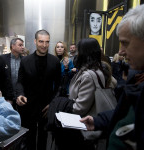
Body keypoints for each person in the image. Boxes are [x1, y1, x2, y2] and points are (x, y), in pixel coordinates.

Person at [80, 4, 144, 150]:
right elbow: (126, 114)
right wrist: (98, 120)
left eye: (125, 43)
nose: (120, 51)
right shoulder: (137, 79)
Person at [54, 38, 112, 150]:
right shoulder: (94, 70)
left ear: (85, 53)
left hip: (81, 128)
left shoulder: (88, 75)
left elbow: (79, 107)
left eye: (79, 51)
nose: (77, 53)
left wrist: (62, 104)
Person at [16, 29, 61, 150]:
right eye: (41, 41)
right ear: (35, 41)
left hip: (46, 106)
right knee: (28, 136)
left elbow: (59, 86)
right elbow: (20, 81)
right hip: (28, 105)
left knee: (44, 137)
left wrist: (52, 103)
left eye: (47, 42)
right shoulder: (25, 61)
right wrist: (20, 94)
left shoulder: (55, 61)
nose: (44, 45)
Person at [1, 38, 24, 107]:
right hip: (7, 98)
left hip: (21, 96)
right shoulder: (2, 59)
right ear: (13, 46)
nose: (22, 47)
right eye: (20, 45)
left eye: (23, 45)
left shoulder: (25, 60)